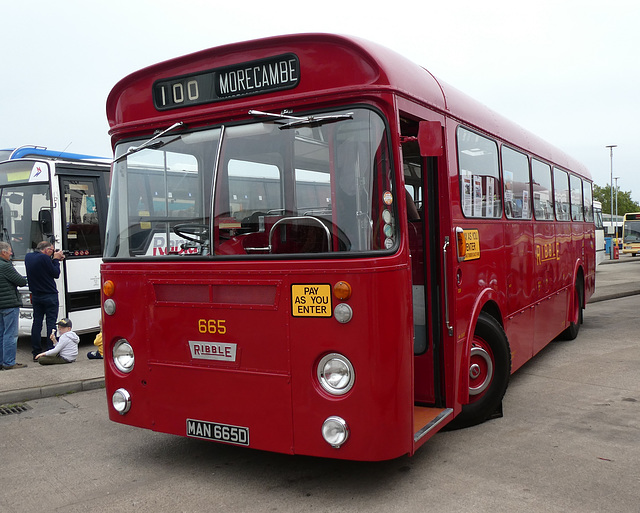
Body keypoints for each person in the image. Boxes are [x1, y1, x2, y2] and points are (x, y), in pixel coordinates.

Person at [24, 241, 65, 360]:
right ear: (46, 250)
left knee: (37, 323)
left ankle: (35, 351)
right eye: (52, 250)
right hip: (50, 295)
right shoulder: (44, 258)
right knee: (51, 323)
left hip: (36, 295)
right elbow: (55, 273)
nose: (53, 252)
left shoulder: (29, 257)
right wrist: (56, 260)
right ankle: (50, 350)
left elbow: (44, 267)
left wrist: (53, 259)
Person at [0, 242, 29, 370]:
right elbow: (21, 281)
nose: (11, 253)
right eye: (10, 251)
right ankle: (9, 362)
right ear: (3, 252)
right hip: (9, 304)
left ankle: (1, 361)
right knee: (10, 335)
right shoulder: (5, 266)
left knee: (1, 334)